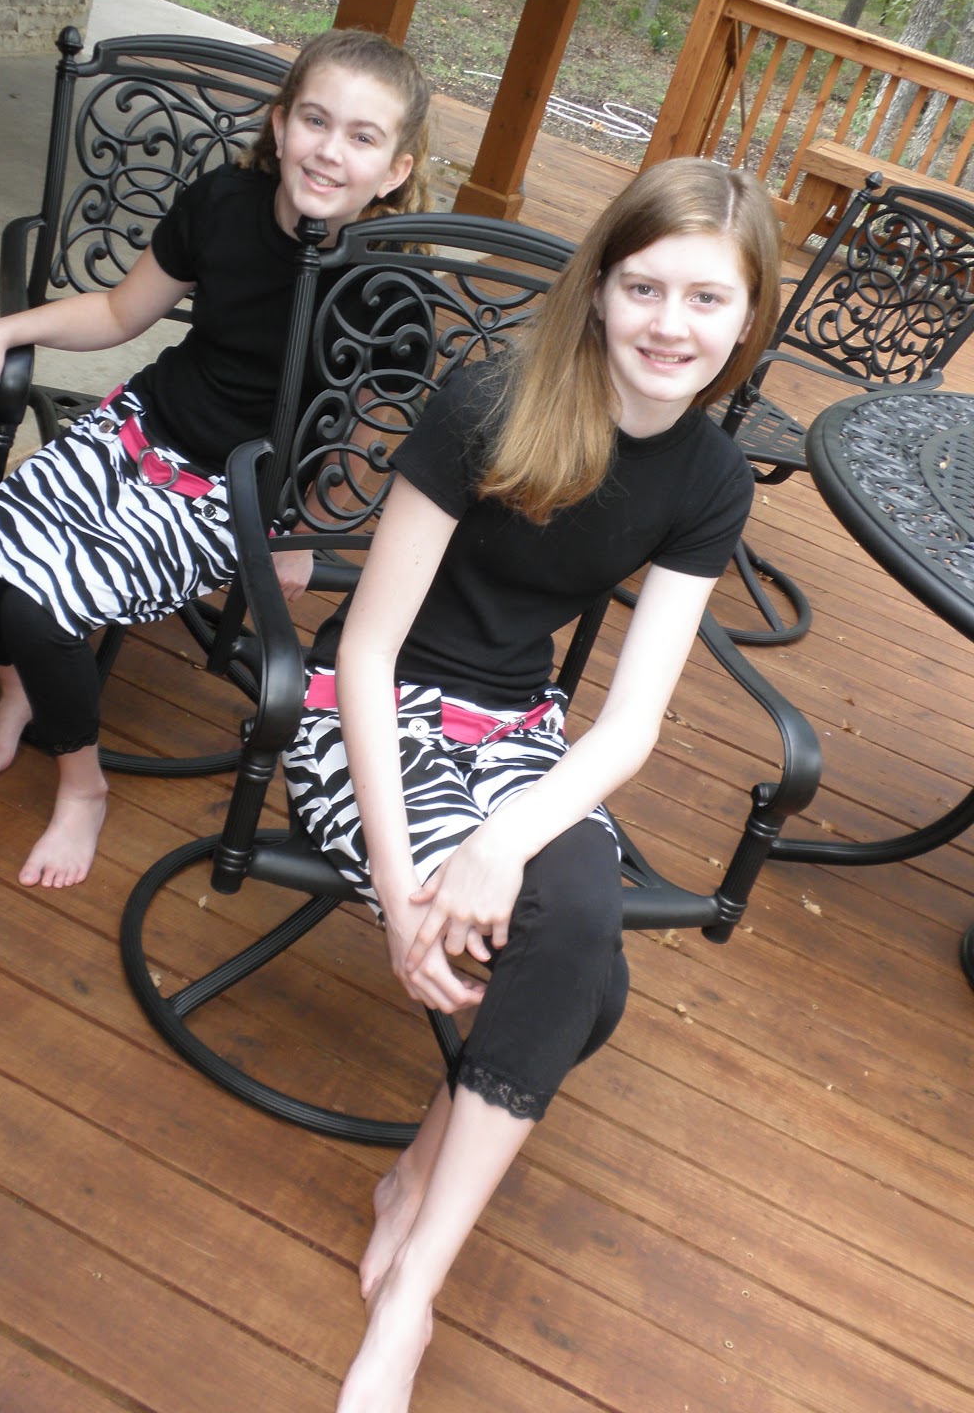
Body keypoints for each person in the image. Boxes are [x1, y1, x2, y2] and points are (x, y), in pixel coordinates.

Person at [280, 156, 782, 1412]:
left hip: (516, 732)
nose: (671, 324)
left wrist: (504, 837)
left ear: (747, 317)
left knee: (574, 917)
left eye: (707, 299)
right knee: (588, 984)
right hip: (372, 717)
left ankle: (416, 1277)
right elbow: (366, 651)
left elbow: (633, 722)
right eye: (645, 286)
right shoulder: (492, 404)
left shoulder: (711, 479)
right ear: (599, 286)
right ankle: (414, 1201)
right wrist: (402, 887)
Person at [0, 28, 432, 891]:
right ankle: (24, 691)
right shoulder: (225, 204)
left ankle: (82, 787)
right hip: (136, 431)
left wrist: (299, 526)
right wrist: (3, 329)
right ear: (281, 125)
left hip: (227, 496)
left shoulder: (388, 287)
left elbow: (367, 427)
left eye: (362, 136)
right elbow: (120, 313)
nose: (329, 150)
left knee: (41, 614)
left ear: (393, 170)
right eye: (315, 120)